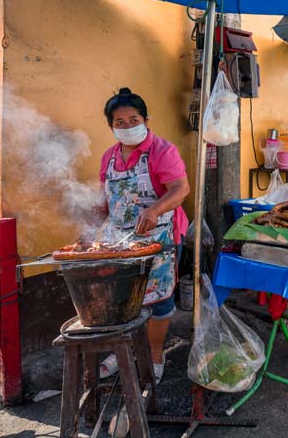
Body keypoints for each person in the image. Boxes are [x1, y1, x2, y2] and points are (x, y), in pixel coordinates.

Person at [97, 88, 190, 383]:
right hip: (120, 241)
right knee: (122, 299)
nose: (126, 126)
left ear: (146, 120)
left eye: (132, 119)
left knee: (157, 301)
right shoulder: (109, 157)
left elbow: (180, 190)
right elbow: (105, 199)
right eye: (119, 122)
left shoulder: (163, 151)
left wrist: (153, 211)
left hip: (159, 238)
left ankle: (154, 354)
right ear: (110, 126)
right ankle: (121, 350)